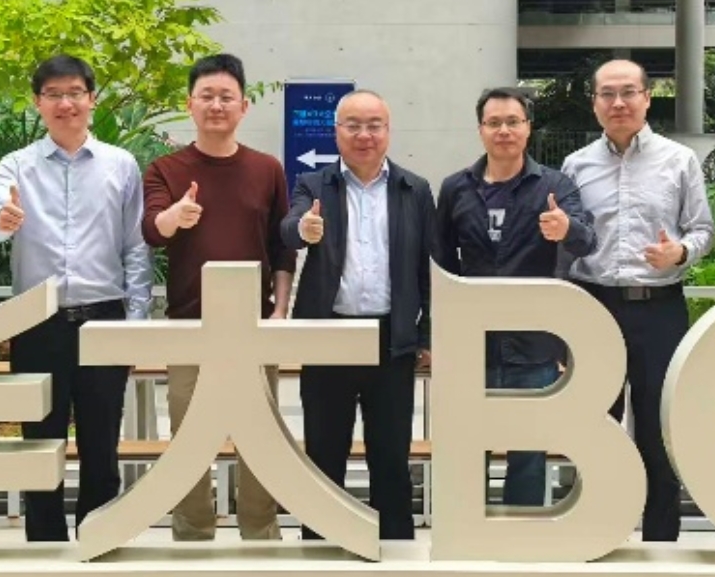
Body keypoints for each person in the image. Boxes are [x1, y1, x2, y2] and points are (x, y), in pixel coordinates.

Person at [0, 55, 152, 542]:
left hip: (104, 320)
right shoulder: (17, 165)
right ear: (38, 102)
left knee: (101, 443)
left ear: (92, 99)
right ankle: (43, 548)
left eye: (74, 92)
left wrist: (136, 322)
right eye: (53, 94)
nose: (65, 103)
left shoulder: (121, 164)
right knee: (39, 443)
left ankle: (99, 542)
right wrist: (1, 221)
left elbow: (136, 247)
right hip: (38, 323)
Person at [142, 53, 295, 541]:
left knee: (262, 434)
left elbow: (282, 246)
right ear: (189, 104)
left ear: (244, 106)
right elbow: (152, 228)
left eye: (226, 96)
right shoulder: (166, 168)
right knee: (187, 434)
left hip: (254, 326)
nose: (216, 105)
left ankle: (260, 529)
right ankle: (192, 531)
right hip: (190, 326)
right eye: (206, 96)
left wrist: (280, 309)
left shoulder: (267, 169)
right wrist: (175, 217)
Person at [561, 59, 715, 542]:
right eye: (607, 94)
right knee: (595, 428)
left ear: (648, 98)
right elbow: (566, 240)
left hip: (659, 308)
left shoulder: (679, 160)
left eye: (628, 92)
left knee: (658, 428)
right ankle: (596, 536)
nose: (618, 103)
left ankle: (661, 541)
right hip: (594, 307)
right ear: (594, 103)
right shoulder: (576, 166)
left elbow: (704, 230)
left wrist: (680, 252)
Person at [280, 90, 435, 540]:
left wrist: (427, 335)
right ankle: (321, 546)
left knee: (391, 454)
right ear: (337, 132)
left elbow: (431, 268)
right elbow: (289, 229)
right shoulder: (314, 184)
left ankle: (395, 546)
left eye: (374, 125)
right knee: (325, 450)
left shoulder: (414, 189)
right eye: (353, 125)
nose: (364, 135)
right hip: (329, 337)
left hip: (392, 340)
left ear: (388, 131)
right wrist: (304, 229)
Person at [435, 87, 595, 506]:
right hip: (472, 344)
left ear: (528, 127)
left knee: (529, 452)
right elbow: (439, 263)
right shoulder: (455, 189)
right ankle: (469, 530)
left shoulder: (555, 185)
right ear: (480, 130)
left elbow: (587, 241)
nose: (503, 130)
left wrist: (567, 229)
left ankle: (523, 534)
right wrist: (434, 334)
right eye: (494, 123)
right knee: (469, 447)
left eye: (512, 121)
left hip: (535, 342)